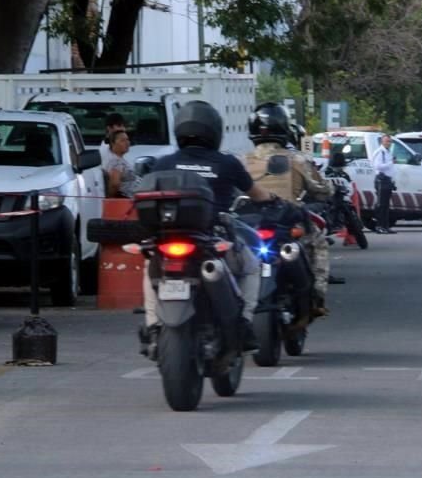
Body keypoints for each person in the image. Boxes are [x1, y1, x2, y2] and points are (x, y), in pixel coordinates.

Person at [140, 100, 272, 355]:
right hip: (213, 239)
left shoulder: (164, 163)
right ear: (215, 131)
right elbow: (257, 194)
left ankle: (153, 326)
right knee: (253, 266)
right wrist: (274, 200)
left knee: (148, 268)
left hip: (168, 240)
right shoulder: (227, 163)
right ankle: (244, 324)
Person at [243, 102, 335, 316]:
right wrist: (330, 187)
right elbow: (321, 190)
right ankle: (317, 298)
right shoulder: (297, 160)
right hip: (286, 221)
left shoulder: (242, 161)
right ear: (284, 129)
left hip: (249, 224)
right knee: (319, 242)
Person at [371, 134, 397, 234]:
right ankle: (379, 226)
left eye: (390, 141)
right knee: (381, 205)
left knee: (386, 205)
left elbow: (390, 168)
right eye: (386, 141)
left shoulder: (387, 152)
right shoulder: (380, 152)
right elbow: (378, 166)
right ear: (382, 142)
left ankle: (386, 226)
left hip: (387, 180)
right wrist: (391, 163)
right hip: (381, 180)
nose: (388, 143)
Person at [103, 129, 138, 198]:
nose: (127, 143)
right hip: (125, 201)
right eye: (122, 140)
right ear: (113, 143)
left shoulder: (120, 159)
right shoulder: (115, 162)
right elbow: (115, 184)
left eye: (127, 140)